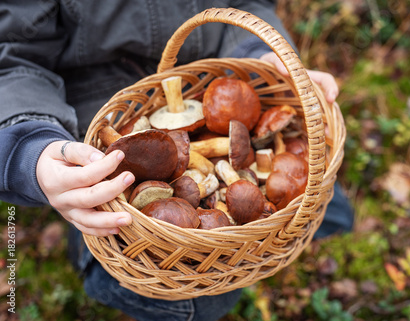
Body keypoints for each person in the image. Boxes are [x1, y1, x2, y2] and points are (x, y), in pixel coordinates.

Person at [0, 1, 353, 320]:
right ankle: (95, 267)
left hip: (202, 87)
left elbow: (247, 4)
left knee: (330, 210)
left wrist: (257, 55)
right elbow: (12, 55)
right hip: (87, 123)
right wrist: (30, 148)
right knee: (195, 296)